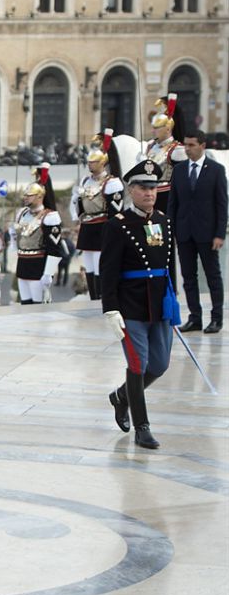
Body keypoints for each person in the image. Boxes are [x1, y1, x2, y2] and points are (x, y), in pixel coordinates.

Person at [101, 159, 178, 449]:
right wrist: (110, 309)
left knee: (159, 365)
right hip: (130, 304)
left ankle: (121, 397)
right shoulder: (118, 226)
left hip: (158, 304)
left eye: (153, 188)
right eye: (143, 188)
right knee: (137, 363)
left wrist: (173, 299)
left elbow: (169, 265)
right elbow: (108, 270)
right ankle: (142, 426)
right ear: (130, 190)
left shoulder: (163, 221)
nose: (150, 193)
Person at [167, 130, 227, 334]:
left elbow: (222, 204)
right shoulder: (179, 170)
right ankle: (195, 318)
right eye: (186, 144)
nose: (187, 149)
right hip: (184, 233)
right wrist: (171, 231)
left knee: (213, 277)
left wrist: (220, 234)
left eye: (192, 145)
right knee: (188, 277)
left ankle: (217, 318)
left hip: (208, 234)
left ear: (202, 145)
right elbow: (173, 204)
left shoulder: (216, 170)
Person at [69, 129, 124, 300]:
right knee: (89, 266)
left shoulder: (112, 183)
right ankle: (93, 296)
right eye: (89, 162)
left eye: (93, 162)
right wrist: (76, 215)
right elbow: (77, 204)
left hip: (102, 226)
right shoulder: (85, 181)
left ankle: (103, 296)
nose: (90, 165)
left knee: (101, 264)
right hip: (87, 225)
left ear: (102, 162)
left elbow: (116, 210)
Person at [11, 164, 63, 304]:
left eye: (29, 195)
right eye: (25, 195)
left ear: (40, 196)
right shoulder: (22, 213)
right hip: (22, 266)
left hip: (38, 267)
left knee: (38, 308)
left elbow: (54, 248)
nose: (26, 198)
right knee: (25, 306)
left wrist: (48, 273)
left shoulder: (49, 217)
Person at [140, 93, 187, 215]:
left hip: (166, 197)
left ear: (168, 128)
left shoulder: (177, 150)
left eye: (157, 127)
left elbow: (182, 183)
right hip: (147, 195)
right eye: (153, 127)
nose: (153, 131)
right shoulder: (150, 146)